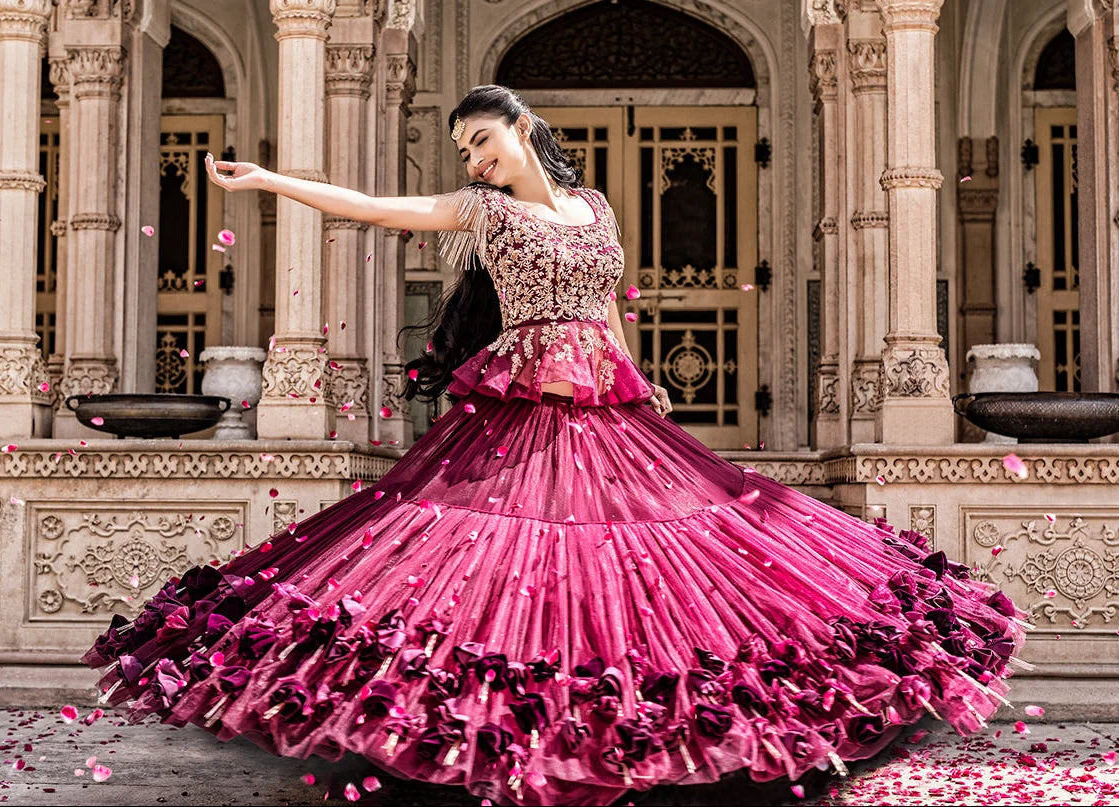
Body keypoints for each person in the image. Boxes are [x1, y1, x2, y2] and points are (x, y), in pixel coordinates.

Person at [83, 84, 1026, 806]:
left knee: (639, 565)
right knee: (506, 564)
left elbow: (608, 314)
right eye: (463, 151)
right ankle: (513, 740)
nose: (475, 160)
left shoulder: (601, 210)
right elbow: (369, 207)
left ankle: (616, 736)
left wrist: (639, 384)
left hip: (611, 413)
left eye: (481, 141)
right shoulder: (484, 212)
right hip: (520, 416)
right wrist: (270, 181)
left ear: (520, 128)